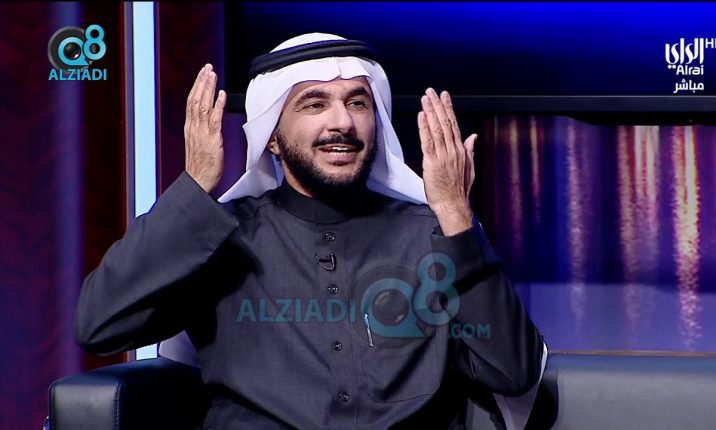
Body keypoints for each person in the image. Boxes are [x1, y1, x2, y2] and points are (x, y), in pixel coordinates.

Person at [75, 33, 546, 430]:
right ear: (272, 138)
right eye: (314, 104)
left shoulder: (432, 234)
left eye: (357, 103)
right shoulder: (223, 238)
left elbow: (514, 372)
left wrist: (457, 217)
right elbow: (99, 326)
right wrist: (194, 187)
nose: (342, 122)